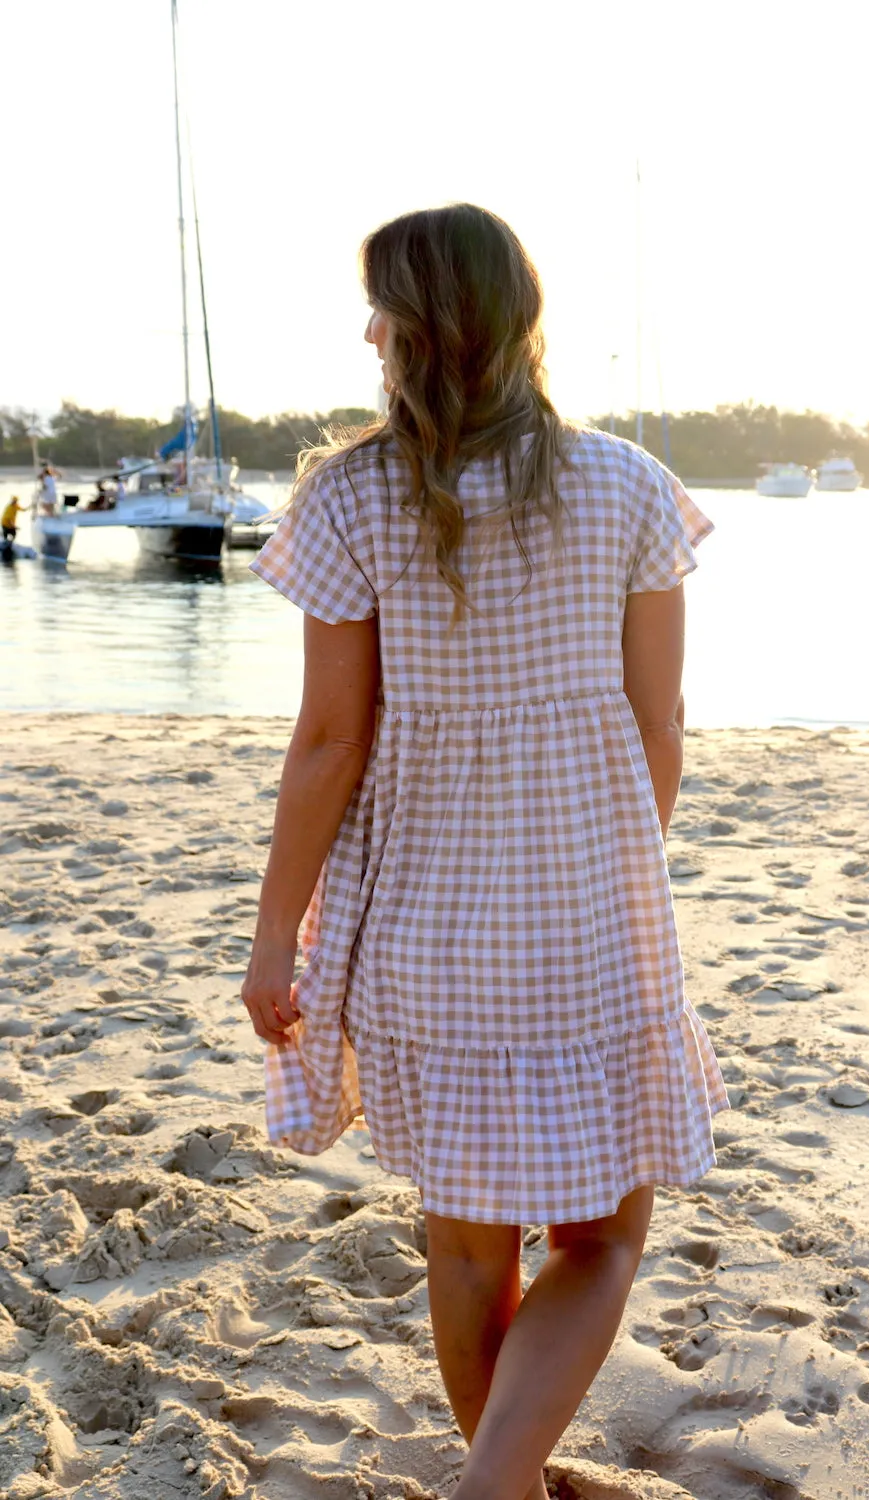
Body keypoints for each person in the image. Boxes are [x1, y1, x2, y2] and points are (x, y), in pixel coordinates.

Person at [242, 203, 728, 1500]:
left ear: (419, 334)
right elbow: (657, 730)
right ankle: (500, 1481)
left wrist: (274, 933)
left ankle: (496, 1478)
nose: (366, 333)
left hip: (421, 937)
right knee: (605, 1235)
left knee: (465, 1250)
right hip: (584, 926)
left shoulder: (346, 500)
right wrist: (609, 868)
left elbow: (330, 743)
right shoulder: (626, 487)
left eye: (379, 313)